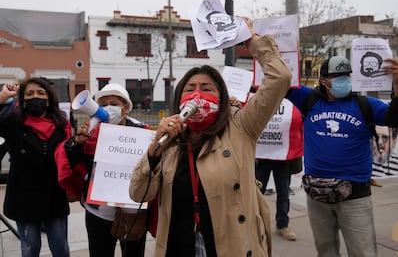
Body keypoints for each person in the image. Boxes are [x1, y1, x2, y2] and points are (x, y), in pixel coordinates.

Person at [129, 17, 292, 257]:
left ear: (221, 98)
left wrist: (251, 40)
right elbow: (138, 193)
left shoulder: (242, 127)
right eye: (189, 89)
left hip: (229, 247)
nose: (197, 95)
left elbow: (280, 78)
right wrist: (156, 147)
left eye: (206, 89)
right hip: (178, 246)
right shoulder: (170, 142)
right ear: (179, 99)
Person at [286, 56, 398, 256]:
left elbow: (395, 117)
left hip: (354, 196)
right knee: (325, 250)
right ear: (323, 80)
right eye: (337, 76)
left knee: (363, 252)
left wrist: (397, 86)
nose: (343, 80)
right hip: (317, 194)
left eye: (346, 75)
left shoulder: (365, 105)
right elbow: (279, 81)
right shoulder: (309, 99)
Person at [56, 83, 150, 257]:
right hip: (99, 213)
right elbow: (70, 160)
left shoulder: (143, 133)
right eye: (104, 104)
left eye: (114, 104)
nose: (108, 108)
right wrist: (77, 142)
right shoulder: (90, 133)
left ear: (125, 108)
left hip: (132, 212)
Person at [0, 77, 72, 257]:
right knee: (30, 248)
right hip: (24, 199)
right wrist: (2, 96)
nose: (35, 97)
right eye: (29, 93)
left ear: (49, 98)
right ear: (22, 99)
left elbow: (70, 155)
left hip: (54, 198)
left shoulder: (62, 125)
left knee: (61, 248)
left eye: (40, 93)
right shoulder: (13, 123)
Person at [255, 98, 304, 241]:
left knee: (283, 193)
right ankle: (256, 225)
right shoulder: (260, 97)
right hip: (263, 157)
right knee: (257, 194)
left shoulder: (291, 101)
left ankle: (282, 225)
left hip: (283, 158)